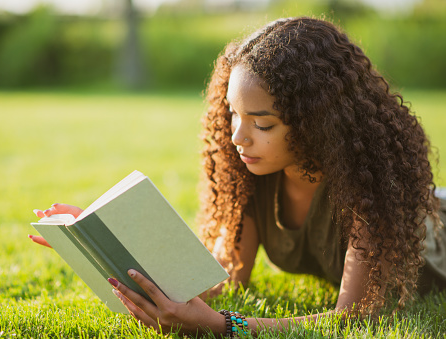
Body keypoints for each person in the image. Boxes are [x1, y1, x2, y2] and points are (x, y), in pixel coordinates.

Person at [30, 16, 446, 337]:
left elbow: (354, 321)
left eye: (262, 124)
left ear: (317, 123)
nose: (237, 137)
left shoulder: (368, 189)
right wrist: (104, 236)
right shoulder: (257, 173)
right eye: (232, 113)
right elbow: (224, 280)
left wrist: (223, 326)